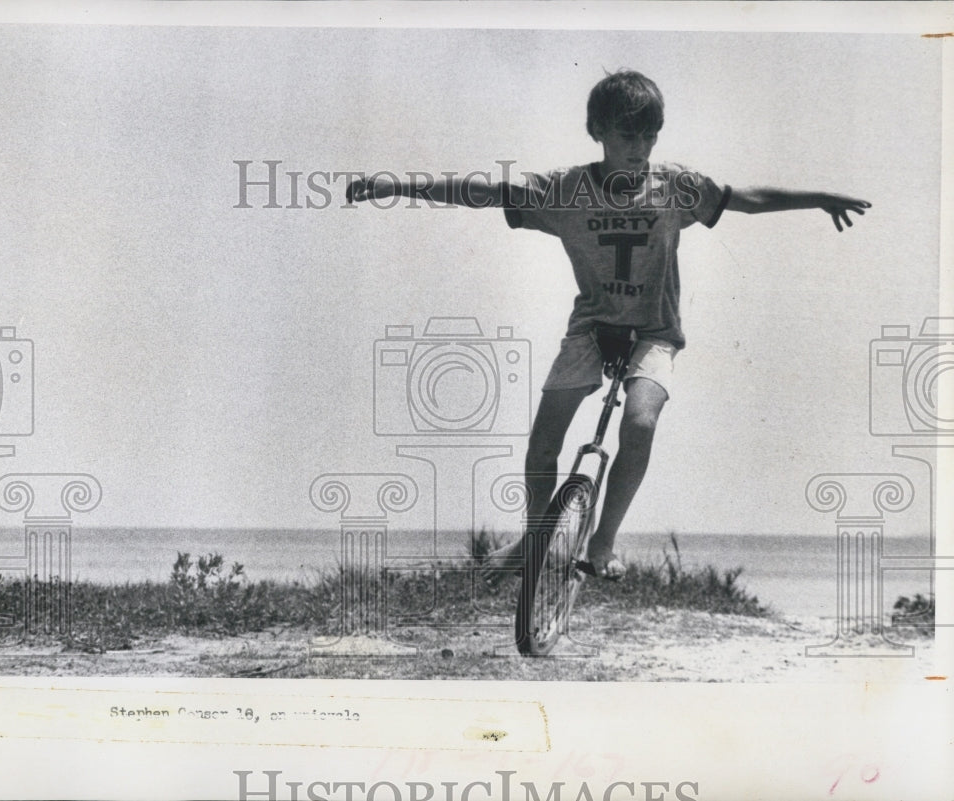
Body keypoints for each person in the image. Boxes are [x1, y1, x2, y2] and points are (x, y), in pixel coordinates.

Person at [347, 69, 870, 582]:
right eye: (626, 134)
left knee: (639, 424)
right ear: (596, 131)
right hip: (592, 328)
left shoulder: (677, 186)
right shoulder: (566, 190)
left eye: (649, 135)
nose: (639, 146)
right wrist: (392, 185)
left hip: (654, 332)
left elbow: (746, 199)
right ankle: (532, 541)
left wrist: (819, 197)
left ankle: (602, 543)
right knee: (544, 441)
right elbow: (479, 190)